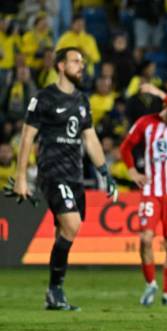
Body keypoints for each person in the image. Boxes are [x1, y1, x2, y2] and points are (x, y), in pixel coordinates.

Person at [10, 47, 117, 311]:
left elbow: (89, 138)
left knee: (65, 232)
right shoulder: (44, 98)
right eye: (75, 61)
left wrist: (105, 173)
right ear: (60, 65)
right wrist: (21, 177)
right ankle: (56, 288)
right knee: (72, 224)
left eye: (82, 61)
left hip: (76, 176)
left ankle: (54, 293)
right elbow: (26, 138)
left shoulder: (82, 100)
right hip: (52, 172)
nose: (81, 66)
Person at [120, 84, 167, 307]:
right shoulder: (146, 123)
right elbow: (126, 147)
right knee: (145, 239)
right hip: (151, 191)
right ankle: (150, 283)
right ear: (165, 107)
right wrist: (132, 171)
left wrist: (161, 93)